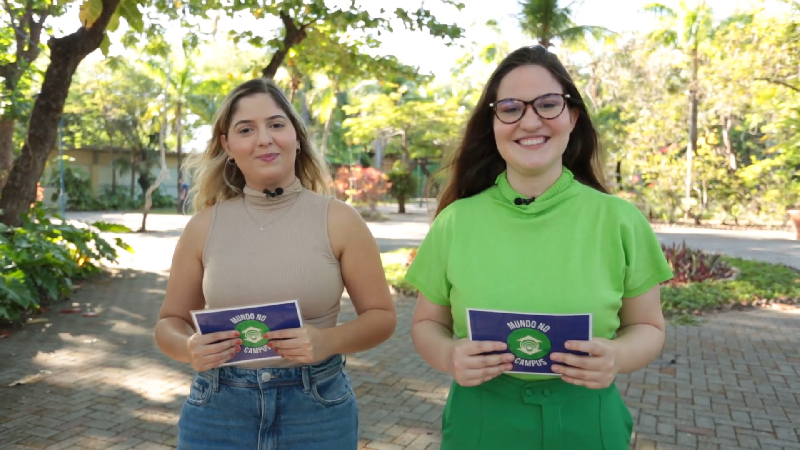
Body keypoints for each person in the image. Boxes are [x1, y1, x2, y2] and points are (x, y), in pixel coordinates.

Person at [404, 45, 673, 450]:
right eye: (510, 108)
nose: (530, 121)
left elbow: (648, 327)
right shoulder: (456, 222)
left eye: (548, 104)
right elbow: (427, 324)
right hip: (480, 424)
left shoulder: (620, 220)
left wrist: (617, 357)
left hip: (589, 425)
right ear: (493, 123)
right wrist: (448, 356)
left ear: (572, 116)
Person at [154, 78, 396, 449]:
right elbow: (169, 321)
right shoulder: (203, 226)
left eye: (276, 124)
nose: (264, 138)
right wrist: (187, 347)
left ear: (297, 138)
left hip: (316, 411)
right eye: (246, 129)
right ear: (228, 146)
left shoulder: (340, 220)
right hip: (217, 411)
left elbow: (381, 317)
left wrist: (329, 341)